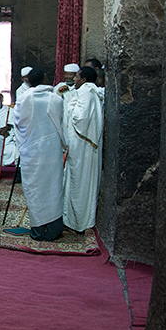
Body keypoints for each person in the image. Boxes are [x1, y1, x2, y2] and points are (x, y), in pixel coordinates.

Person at [9, 68, 66, 241]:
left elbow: (18, 122)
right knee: (52, 187)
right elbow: (62, 123)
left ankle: (38, 230)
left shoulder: (24, 98)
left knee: (34, 188)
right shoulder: (56, 99)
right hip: (50, 150)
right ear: (44, 78)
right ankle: (54, 229)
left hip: (31, 150)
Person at [63, 66, 104, 233]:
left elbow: (80, 118)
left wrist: (68, 107)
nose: (74, 79)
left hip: (82, 146)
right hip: (83, 146)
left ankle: (77, 222)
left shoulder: (86, 92)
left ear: (84, 79)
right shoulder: (90, 91)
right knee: (79, 181)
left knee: (78, 182)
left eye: (77, 76)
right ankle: (73, 220)